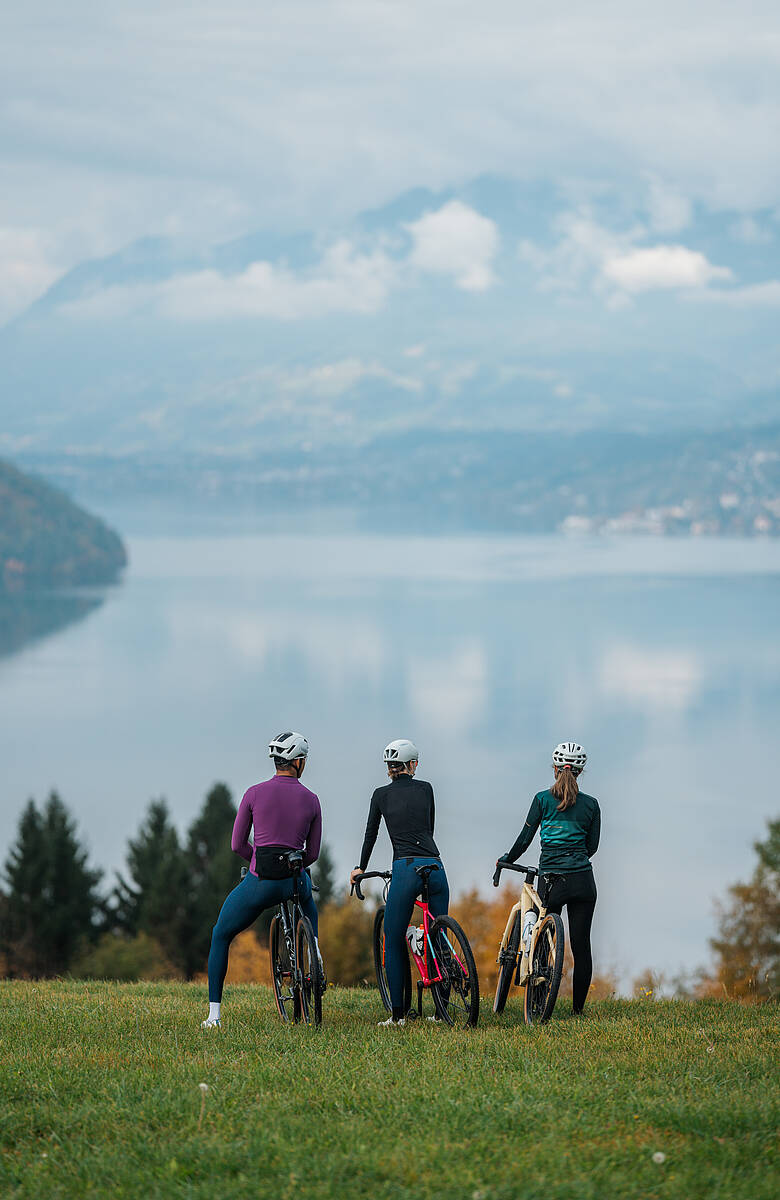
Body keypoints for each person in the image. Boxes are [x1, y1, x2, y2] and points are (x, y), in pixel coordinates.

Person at [201, 731, 322, 1029]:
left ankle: (214, 1016)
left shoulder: (253, 793)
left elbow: (236, 845)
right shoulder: (312, 800)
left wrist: (258, 859)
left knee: (220, 934)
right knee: (307, 897)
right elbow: (313, 853)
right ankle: (314, 952)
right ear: (298, 762)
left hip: (260, 882)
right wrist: (293, 865)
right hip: (295, 880)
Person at [350, 738, 449, 1027]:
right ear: (413, 765)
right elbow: (429, 827)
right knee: (438, 935)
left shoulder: (380, 794)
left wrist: (361, 868)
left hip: (405, 868)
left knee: (392, 939)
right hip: (435, 865)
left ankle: (397, 1016)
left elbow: (371, 834)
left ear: (390, 768)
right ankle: (441, 1011)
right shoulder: (427, 789)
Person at [498, 741, 600, 1015]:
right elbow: (592, 847)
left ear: (555, 768)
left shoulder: (542, 799)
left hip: (552, 879)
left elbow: (524, 839)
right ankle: (578, 1011)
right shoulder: (591, 805)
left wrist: (507, 859)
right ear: (580, 771)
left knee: (543, 938)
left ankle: (539, 1002)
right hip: (582, 881)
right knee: (581, 947)